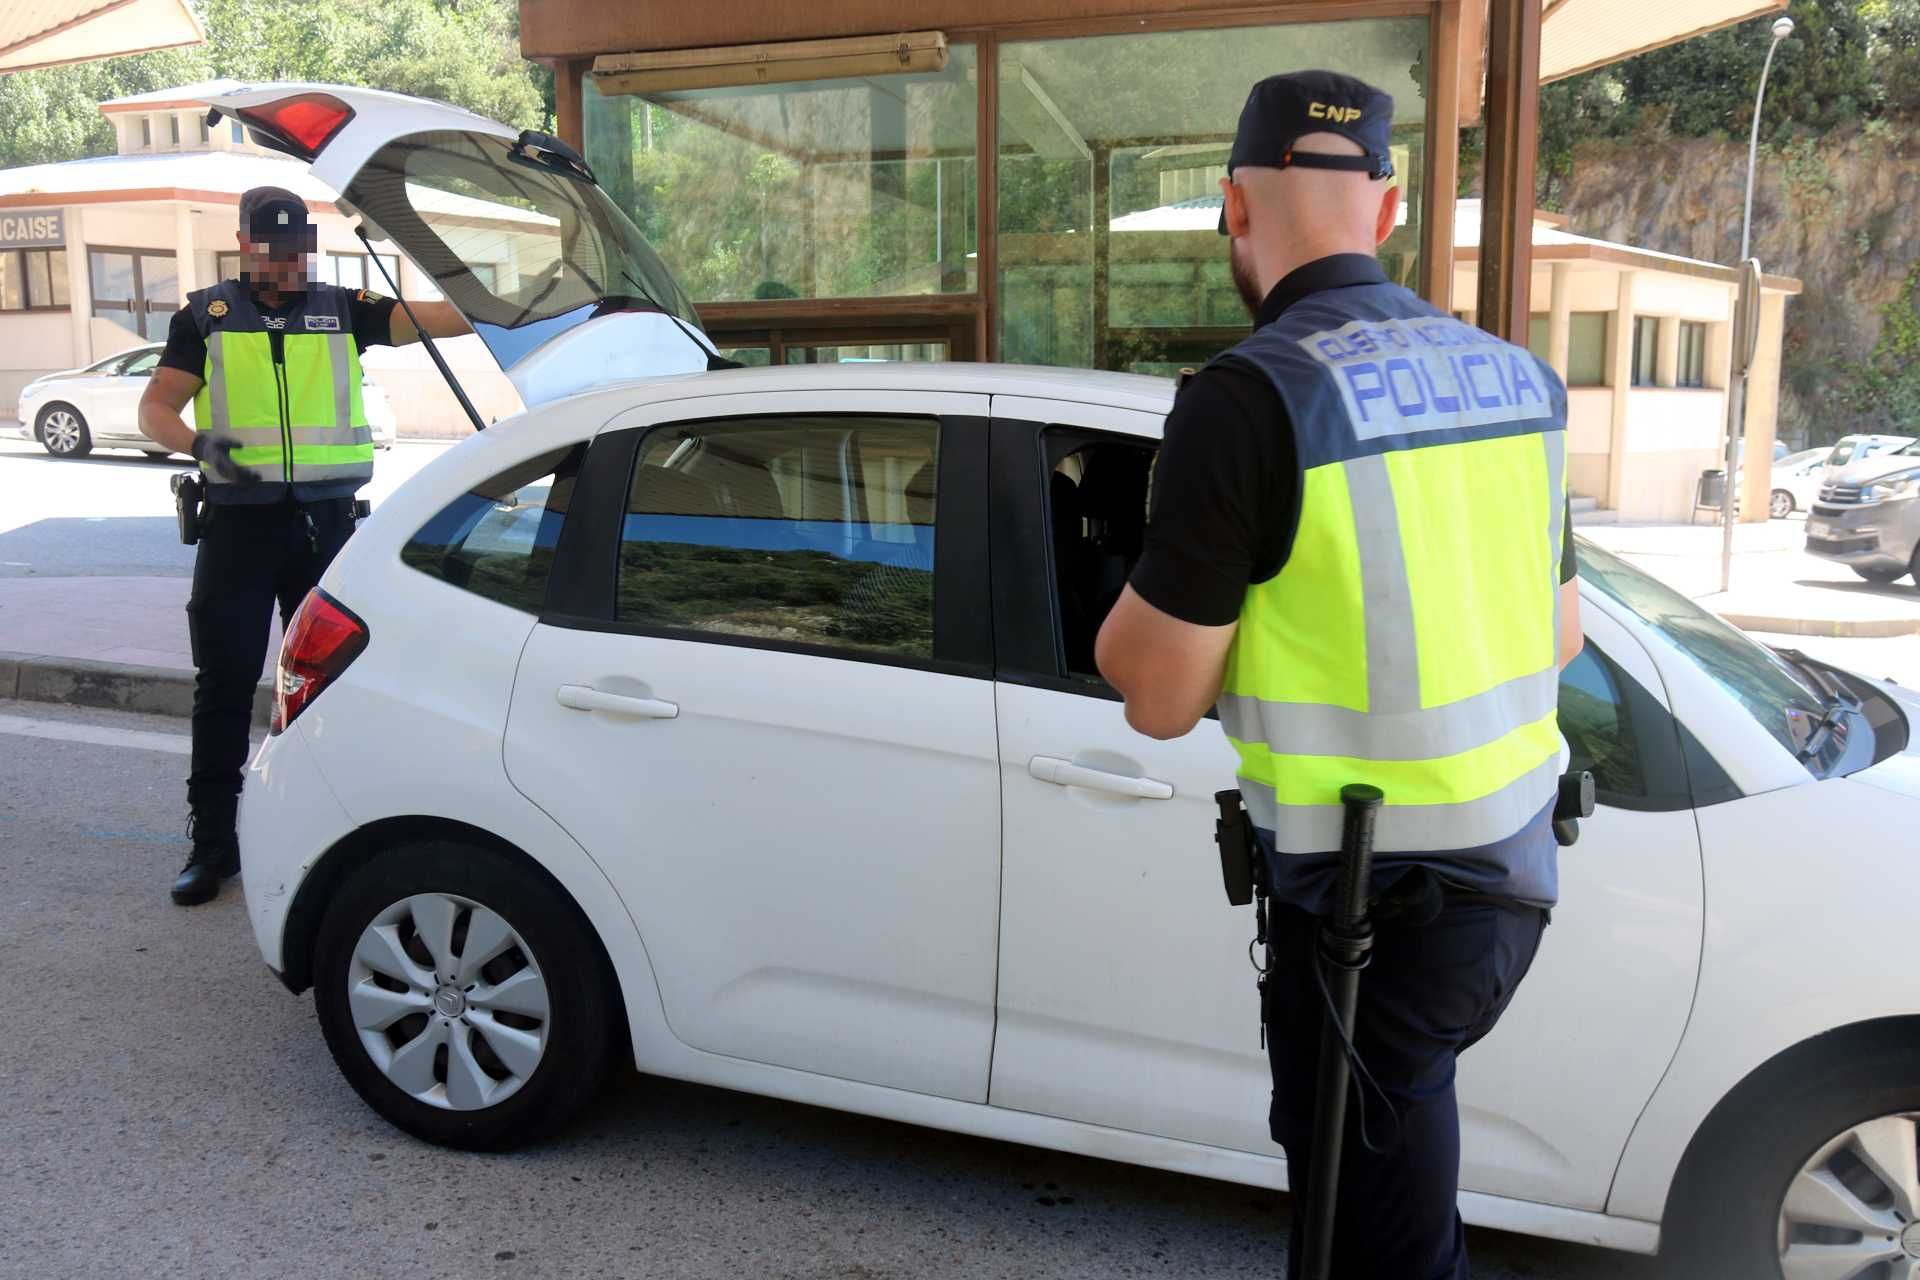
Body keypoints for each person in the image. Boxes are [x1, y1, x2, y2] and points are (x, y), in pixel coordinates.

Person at [1094, 71, 1584, 1280]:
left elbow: (1155, 697)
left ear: (1231, 208)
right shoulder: (1518, 381)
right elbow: (1558, 634)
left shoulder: (1252, 398)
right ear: (1390, 204)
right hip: (1512, 878)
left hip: (1372, 907)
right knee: (1394, 1162)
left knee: (1376, 1238)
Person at [139, 186, 469, 907]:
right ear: (244, 244)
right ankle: (212, 846)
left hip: (327, 531)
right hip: (238, 527)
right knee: (224, 686)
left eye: (296, 251)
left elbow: (447, 318)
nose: (287, 264)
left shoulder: (344, 307)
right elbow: (155, 406)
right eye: (272, 251)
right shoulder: (206, 316)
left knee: (337, 689)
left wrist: (505, 292)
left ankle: (331, 841)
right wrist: (197, 444)